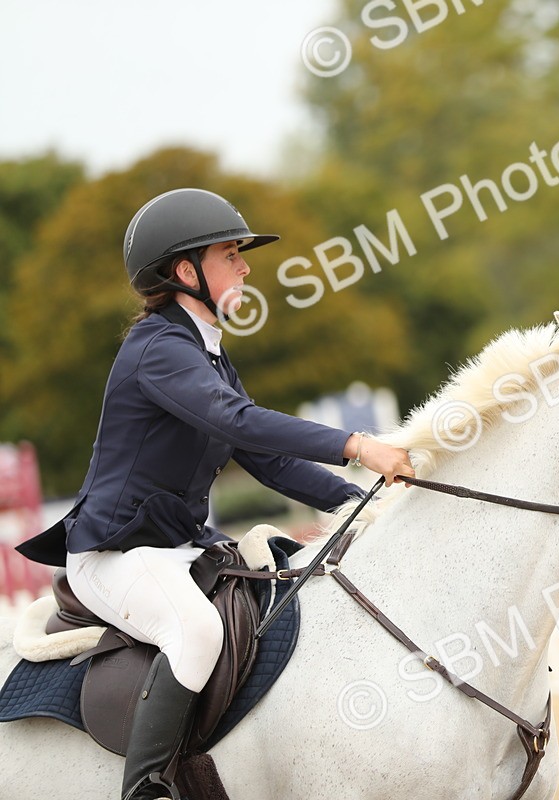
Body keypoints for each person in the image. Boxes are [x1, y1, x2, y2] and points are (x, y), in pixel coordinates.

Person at [15, 188, 415, 800]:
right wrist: (358, 446)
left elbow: (267, 459)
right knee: (197, 631)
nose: (246, 266)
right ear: (186, 272)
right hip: (117, 556)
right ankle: (146, 788)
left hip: (178, 548)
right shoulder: (158, 352)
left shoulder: (207, 354)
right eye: (232, 254)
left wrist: (360, 505)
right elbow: (240, 423)